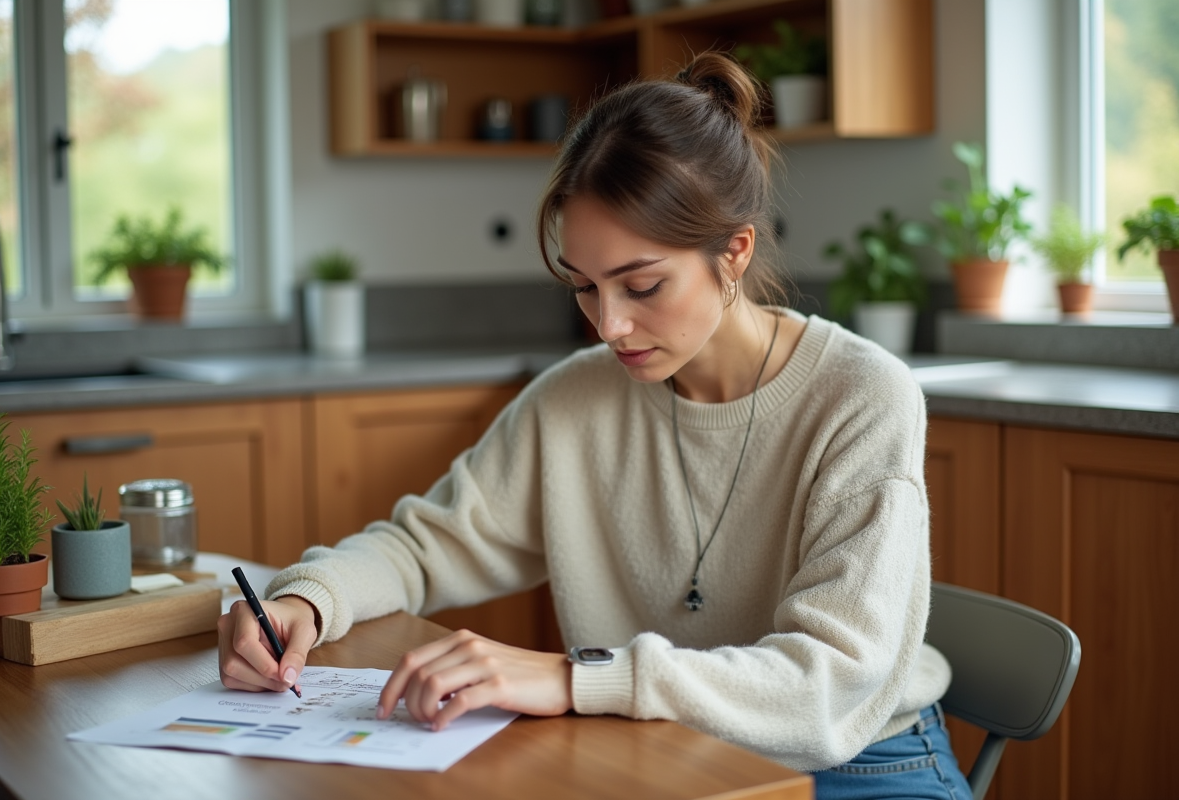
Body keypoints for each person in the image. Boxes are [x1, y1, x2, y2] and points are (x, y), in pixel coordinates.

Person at [218, 52, 971, 800]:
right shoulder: (574, 400)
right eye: (584, 287)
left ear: (734, 251)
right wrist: (306, 600)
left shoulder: (862, 394)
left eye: (642, 285)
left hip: (863, 766)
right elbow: (424, 546)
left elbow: (827, 685)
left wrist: (572, 676)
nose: (609, 325)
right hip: (665, 754)